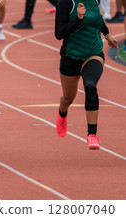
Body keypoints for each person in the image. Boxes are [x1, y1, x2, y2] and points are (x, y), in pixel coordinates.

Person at [55, 0, 118, 149]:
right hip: (71, 57)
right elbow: (59, 34)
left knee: (90, 85)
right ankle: (62, 113)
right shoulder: (66, 3)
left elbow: (97, 18)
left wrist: (107, 35)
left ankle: (92, 135)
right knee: (67, 98)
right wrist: (78, 19)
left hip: (93, 53)